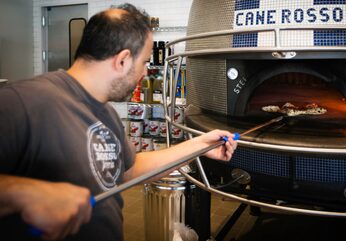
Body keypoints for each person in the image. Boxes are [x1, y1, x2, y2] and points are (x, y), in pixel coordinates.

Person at [0, 3, 237, 241]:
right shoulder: (24, 101)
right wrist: (28, 194)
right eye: (144, 62)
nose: (146, 72)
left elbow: (129, 170)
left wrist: (199, 145)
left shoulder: (106, 113)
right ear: (123, 60)